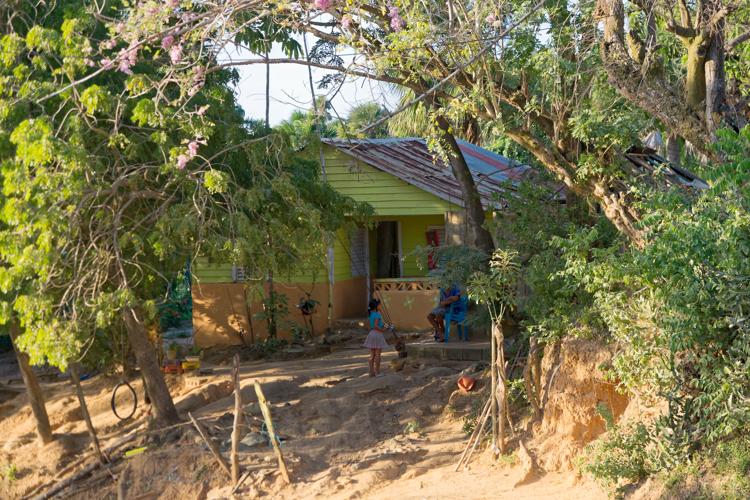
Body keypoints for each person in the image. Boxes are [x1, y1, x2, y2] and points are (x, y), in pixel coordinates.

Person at [364, 299, 389, 376]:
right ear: (376, 306)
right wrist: (383, 330)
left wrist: (387, 326)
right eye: (379, 305)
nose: (380, 306)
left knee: (372, 354)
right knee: (378, 354)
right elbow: (375, 326)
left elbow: (379, 324)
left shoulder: (371, 314)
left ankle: (371, 372)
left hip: (371, 334)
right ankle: (377, 372)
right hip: (377, 335)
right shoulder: (377, 314)